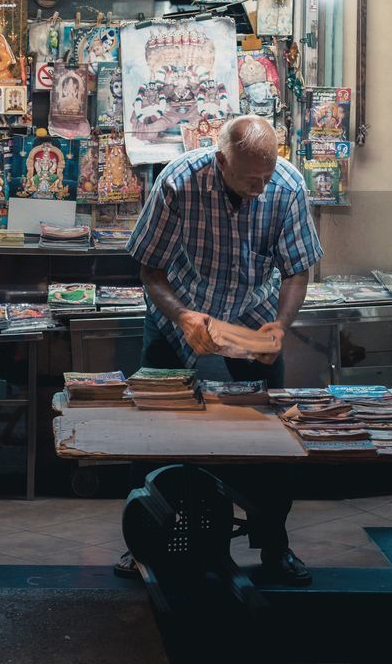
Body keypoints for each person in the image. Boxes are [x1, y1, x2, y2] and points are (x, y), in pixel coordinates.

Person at [119, 114, 323, 586]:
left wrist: (280, 327)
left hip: (252, 315)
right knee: (152, 427)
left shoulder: (286, 186)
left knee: (272, 434)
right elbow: (150, 271)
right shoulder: (178, 182)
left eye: (266, 176)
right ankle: (142, 544)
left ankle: (275, 546)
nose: (260, 187)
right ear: (220, 161)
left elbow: (296, 271)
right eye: (251, 178)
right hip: (180, 317)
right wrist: (183, 317)